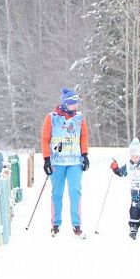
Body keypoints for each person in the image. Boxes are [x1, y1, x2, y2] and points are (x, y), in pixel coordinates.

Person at [40, 87, 90, 237]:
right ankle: (56, 223)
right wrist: (46, 159)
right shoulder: (52, 117)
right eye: (73, 104)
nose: (76, 106)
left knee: (75, 191)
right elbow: (45, 138)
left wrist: (85, 154)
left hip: (74, 161)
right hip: (57, 162)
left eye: (77, 104)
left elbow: (84, 137)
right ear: (66, 104)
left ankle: (77, 224)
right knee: (57, 193)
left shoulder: (80, 117)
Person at [111, 138, 140, 240]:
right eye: (133, 156)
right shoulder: (129, 165)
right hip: (135, 191)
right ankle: (134, 226)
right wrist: (115, 168)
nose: (135, 158)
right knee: (135, 208)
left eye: (137, 156)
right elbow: (121, 173)